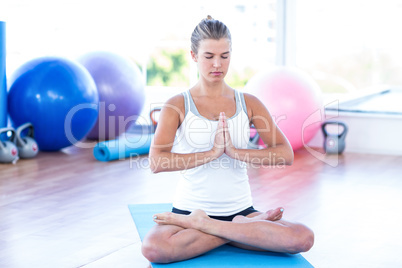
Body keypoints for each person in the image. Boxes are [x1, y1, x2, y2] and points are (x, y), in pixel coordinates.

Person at [141, 16, 314, 264]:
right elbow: (156, 162)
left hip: (240, 210)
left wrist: (234, 151)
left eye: (224, 55)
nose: (217, 64)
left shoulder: (250, 103)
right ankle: (243, 230)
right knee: (155, 248)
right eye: (209, 56)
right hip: (189, 210)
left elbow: (285, 154)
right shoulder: (177, 105)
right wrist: (211, 154)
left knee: (302, 237)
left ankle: (207, 226)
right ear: (193, 56)